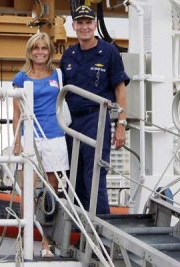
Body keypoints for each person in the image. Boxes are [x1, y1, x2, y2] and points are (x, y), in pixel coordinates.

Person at [60, 5, 129, 215]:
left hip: (96, 119)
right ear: (73, 26)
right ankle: (80, 228)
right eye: (80, 23)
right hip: (72, 123)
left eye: (88, 23)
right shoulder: (68, 56)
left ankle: (101, 227)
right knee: (75, 175)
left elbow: (120, 89)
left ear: (95, 24)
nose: (84, 27)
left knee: (95, 173)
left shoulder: (109, 52)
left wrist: (121, 125)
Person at [12, 32, 69, 257]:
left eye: (44, 48)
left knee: (51, 192)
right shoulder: (21, 77)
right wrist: (16, 140)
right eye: (36, 48)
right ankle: (25, 241)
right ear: (30, 51)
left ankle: (46, 244)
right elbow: (16, 111)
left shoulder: (58, 74)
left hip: (55, 136)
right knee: (27, 190)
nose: (40, 52)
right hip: (30, 137)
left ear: (50, 51)